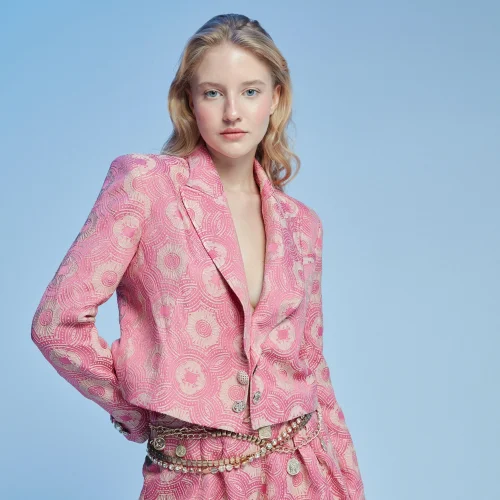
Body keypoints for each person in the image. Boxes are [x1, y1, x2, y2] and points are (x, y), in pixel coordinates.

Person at [31, 13, 365, 500]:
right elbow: (56, 323)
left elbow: (313, 366)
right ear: (189, 101)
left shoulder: (302, 225)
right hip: (194, 476)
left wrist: (349, 485)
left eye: (250, 91)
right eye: (213, 93)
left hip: (303, 472)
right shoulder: (145, 186)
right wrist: (137, 408)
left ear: (276, 99)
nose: (233, 112)